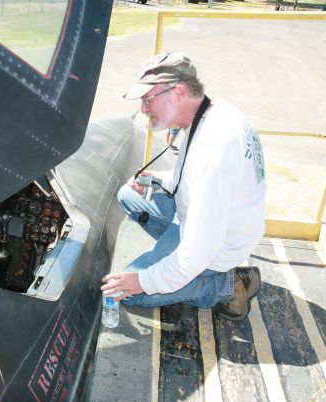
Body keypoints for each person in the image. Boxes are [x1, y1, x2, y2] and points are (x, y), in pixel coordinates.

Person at [101, 52, 266, 321]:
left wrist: (142, 281)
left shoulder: (212, 154)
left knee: (126, 292)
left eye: (148, 99)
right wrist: (156, 180)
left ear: (177, 92)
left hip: (217, 247)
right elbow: (191, 181)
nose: (144, 109)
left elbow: (197, 253)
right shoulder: (212, 113)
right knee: (128, 195)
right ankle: (185, 261)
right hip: (206, 223)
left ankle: (227, 284)